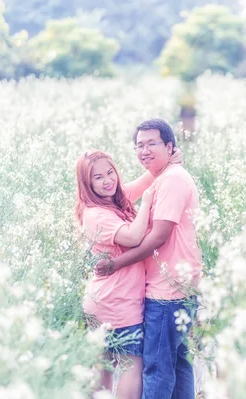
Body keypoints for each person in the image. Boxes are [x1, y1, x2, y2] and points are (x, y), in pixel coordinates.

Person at [95, 118, 202, 399]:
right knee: (178, 363)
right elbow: (123, 195)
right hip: (177, 286)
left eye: (151, 143)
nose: (144, 150)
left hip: (167, 291)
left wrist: (116, 264)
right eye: (139, 145)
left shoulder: (172, 181)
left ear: (169, 146)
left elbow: (158, 237)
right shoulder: (166, 177)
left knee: (156, 368)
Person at [76, 148, 183, 399]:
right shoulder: (95, 214)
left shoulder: (113, 199)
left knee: (102, 368)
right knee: (129, 366)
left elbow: (145, 181)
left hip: (106, 301)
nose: (107, 180)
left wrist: (167, 163)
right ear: (87, 183)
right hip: (117, 303)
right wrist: (146, 203)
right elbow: (134, 238)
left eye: (110, 172)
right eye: (98, 177)